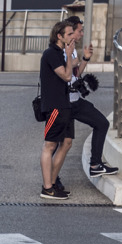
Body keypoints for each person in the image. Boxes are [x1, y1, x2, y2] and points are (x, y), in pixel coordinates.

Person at [63, 15, 119, 178]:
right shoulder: (62, 50)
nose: (81, 34)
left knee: (101, 123)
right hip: (64, 103)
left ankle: (95, 164)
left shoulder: (72, 50)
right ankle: (51, 181)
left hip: (75, 101)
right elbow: (65, 75)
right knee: (61, 144)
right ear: (70, 32)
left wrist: (85, 59)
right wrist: (72, 62)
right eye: (79, 31)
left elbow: (75, 74)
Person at [38, 19, 76, 199]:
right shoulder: (52, 53)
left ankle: (52, 183)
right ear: (59, 36)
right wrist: (69, 56)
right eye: (69, 34)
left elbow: (73, 73)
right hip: (54, 107)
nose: (72, 36)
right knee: (50, 145)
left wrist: (80, 58)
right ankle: (47, 188)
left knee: (67, 142)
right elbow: (67, 76)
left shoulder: (61, 53)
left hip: (64, 105)